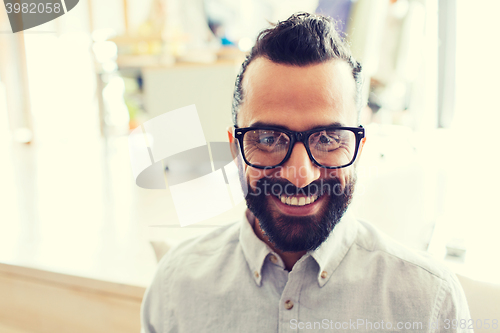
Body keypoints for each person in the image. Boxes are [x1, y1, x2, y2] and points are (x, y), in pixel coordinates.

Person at [141, 13, 471, 333]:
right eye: (268, 138)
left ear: (358, 148)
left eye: (328, 139)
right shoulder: (174, 288)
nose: (301, 175)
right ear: (235, 149)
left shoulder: (429, 302)